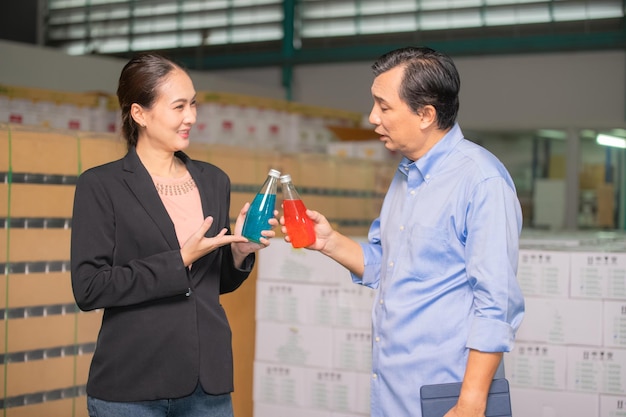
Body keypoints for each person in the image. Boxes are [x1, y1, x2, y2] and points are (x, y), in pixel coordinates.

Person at [281, 46, 525, 417]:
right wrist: (328, 242)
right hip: (393, 387)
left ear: (426, 114)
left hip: (448, 394)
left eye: (384, 106)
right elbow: (387, 264)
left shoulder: (481, 180)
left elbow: (497, 303)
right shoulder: (406, 174)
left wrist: (471, 403)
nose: (372, 117)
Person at [71, 53, 277, 417]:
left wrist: (240, 252)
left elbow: (212, 283)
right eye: (179, 106)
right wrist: (180, 259)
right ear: (140, 113)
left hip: (206, 386)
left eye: (193, 104)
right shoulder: (101, 185)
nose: (191, 117)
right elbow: (90, 288)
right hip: (132, 384)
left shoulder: (214, 180)